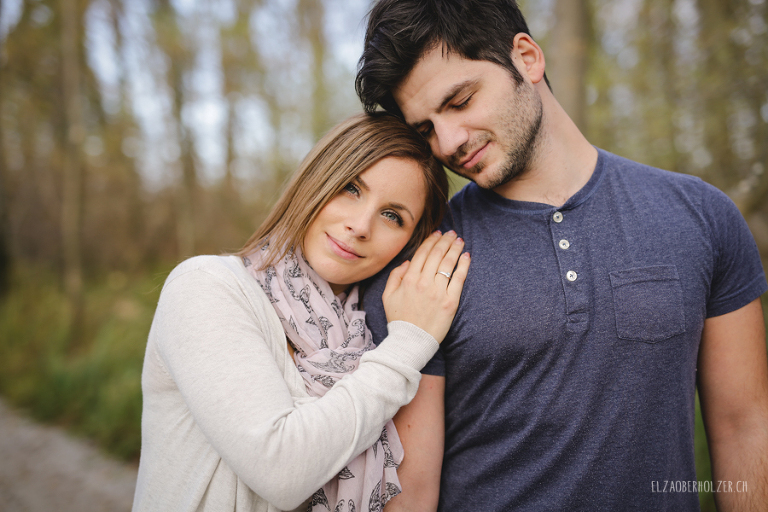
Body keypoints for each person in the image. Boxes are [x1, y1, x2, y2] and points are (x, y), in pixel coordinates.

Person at [355, 1, 768, 510]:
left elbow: (745, 428)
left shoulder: (701, 216)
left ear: (526, 58)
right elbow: (409, 493)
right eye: (425, 129)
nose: (448, 143)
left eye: (460, 101)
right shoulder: (420, 265)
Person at [131, 113, 470, 512]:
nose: (361, 226)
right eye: (350, 188)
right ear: (315, 180)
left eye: (392, 216)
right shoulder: (207, 286)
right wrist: (409, 344)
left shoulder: (369, 337)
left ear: (408, 244)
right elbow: (280, 469)